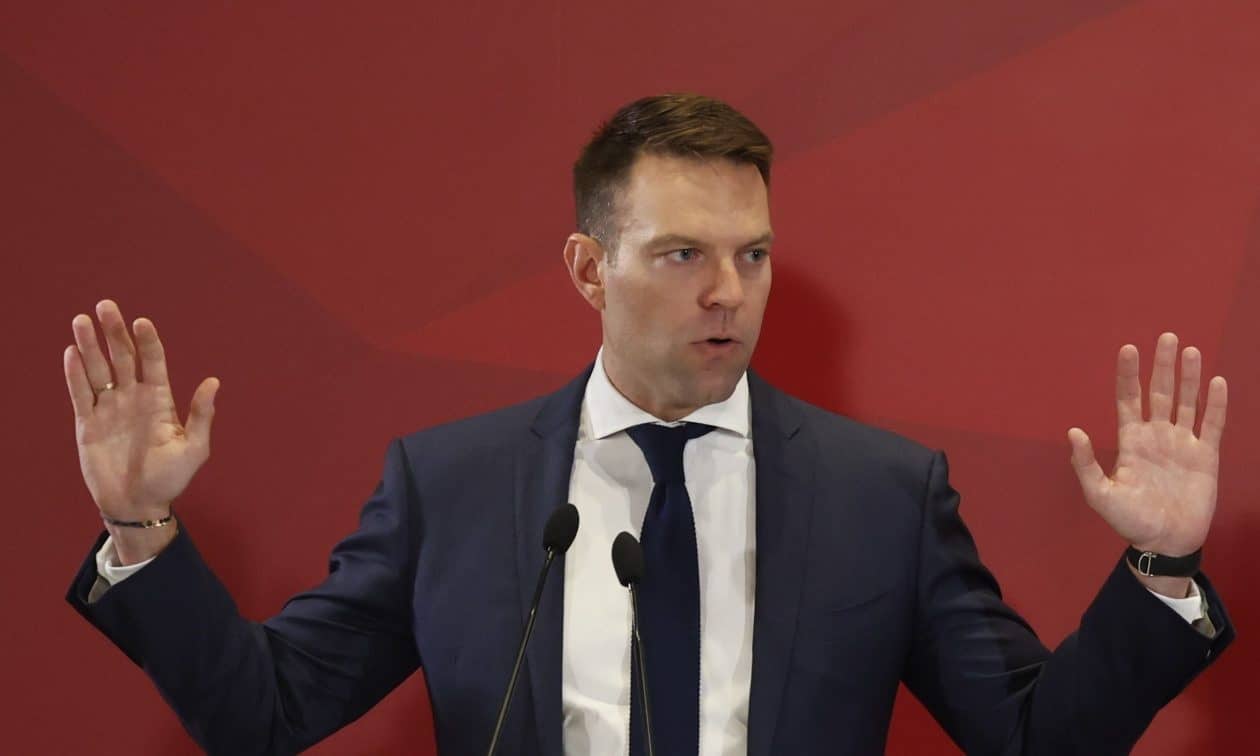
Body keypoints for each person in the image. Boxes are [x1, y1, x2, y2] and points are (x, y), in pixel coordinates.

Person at [64, 94, 1232, 756]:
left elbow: (1034, 741)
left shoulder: (881, 495)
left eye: (753, 255)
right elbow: (263, 715)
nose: (729, 292)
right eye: (682, 255)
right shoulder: (452, 486)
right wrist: (141, 530)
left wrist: (1161, 566)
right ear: (590, 268)